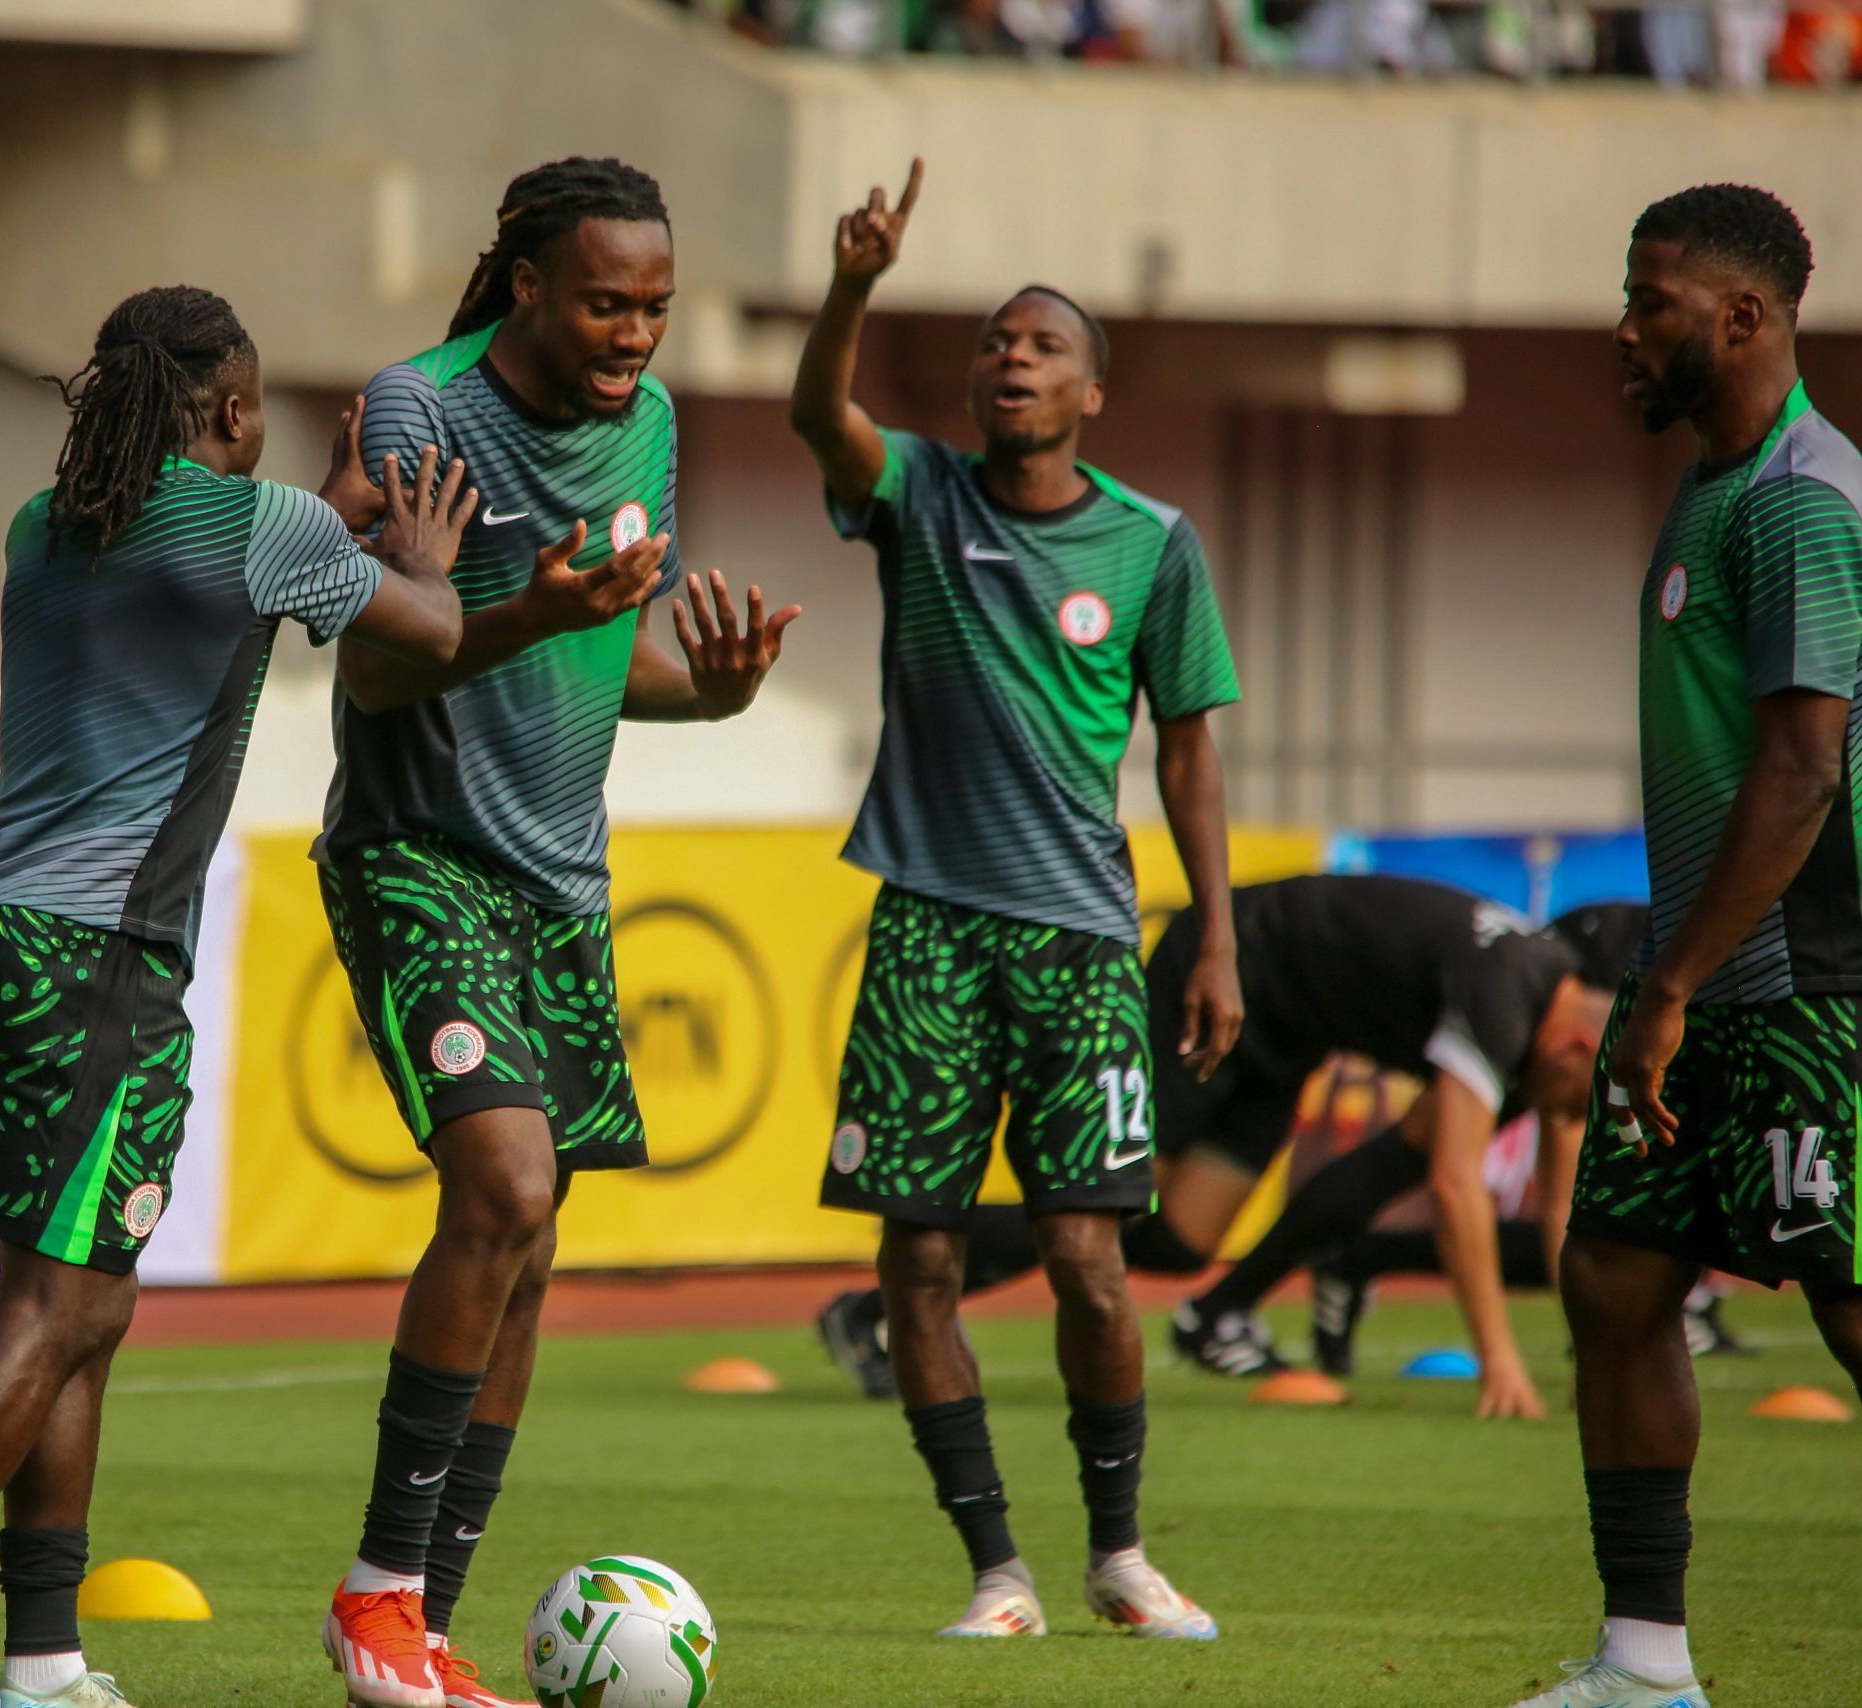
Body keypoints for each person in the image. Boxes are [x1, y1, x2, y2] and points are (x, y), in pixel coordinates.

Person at [0, 284, 468, 1708]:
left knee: (80, 1301)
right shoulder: (260, 530)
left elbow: (202, 563)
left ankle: (45, 1665)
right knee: (63, 1312)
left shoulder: (47, 525)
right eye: (252, 409)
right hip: (100, 960)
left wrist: (316, 513)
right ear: (224, 412)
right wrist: (429, 555)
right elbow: (430, 633)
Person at [313, 157, 798, 1708]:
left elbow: (598, 658)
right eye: (607, 301)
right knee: (504, 1180)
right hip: (416, 858)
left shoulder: (647, 422)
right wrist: (534, 606)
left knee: (528, 1248)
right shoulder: (419, 413)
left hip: (562, 887)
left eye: (655, 306)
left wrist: (706, 691)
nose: (636, 335)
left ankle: (431, 1633)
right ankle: (377, 1596)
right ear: (526, 281)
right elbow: (384, 671)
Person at [791, 158, 1243, 1644]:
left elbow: (1188, 748)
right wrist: (854, 283)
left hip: (1084, 943)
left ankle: (1120, 1553)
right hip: (925, 921)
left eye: (1043, 345)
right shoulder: (917, 494)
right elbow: (819, 420)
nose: (1011, 360)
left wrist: (1215, 934)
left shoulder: (1154, 542)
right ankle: (997, 1571)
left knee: (1090, 1258)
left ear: (1092, 391)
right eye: (994, 341)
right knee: (915, 1257)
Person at [1504, 184, 1862, 1708]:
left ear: (1742, 316)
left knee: (1851, 1302)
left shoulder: (1799, 496)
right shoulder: (1717, 485)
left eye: (1651, 299)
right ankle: (1646, 1668)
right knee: (1617, 1279)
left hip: (1811, 984)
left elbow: (1801, 767)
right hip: (1718, 978)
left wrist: (1667, 985)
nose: (1624, 326)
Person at [818, 887, 1637, 1410]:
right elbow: (1458, 1186)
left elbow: (1557, 1200)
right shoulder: (1506, 1000)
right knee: (1103, 1204)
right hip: (1220, 977)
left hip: (1283, 1036)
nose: (1563, 1114)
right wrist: (1500, 1359)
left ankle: (1213, 1306)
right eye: (1572, 1099)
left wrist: (1592, 1346)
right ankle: (881, 1301)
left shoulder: (1554, 992)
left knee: (1179, 1241)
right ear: (1569, 1050)